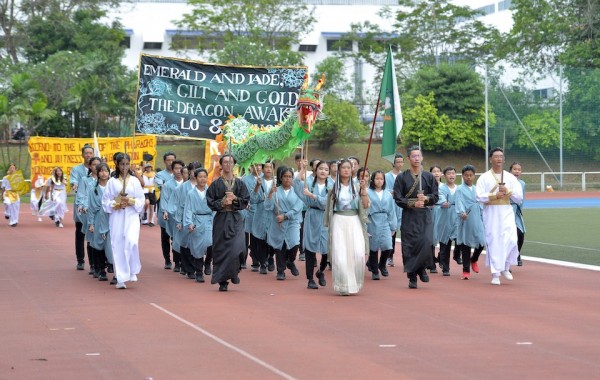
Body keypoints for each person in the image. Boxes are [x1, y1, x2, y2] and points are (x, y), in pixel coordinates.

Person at [476, 148, 523, 285]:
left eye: (501, 156)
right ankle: (495, 274)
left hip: (506, 211)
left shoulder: (510, 177)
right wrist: (493, 195)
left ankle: (505, 267)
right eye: (496, 156)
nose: (499, 159)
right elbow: (478, 195)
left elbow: (519, 197)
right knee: (495, 241)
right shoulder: (484, 177)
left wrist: (507, 191)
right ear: (491, 159)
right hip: (491, 212)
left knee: (512, 240)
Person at [393, 146, 439, 289]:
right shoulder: (402, 177)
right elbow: (398, 198)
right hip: (409, 216)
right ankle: (412, 276)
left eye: (419, 156)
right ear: (408, 159)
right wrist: (413, 203)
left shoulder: (429, 177)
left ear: (422, 158)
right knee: (410, 245)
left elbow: (436, 197)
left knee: (426, 241)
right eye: (413, 156)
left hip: (425, 216)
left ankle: (421, 268)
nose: (416, 159)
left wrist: (425, 198)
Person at [324, 158, 370, 295]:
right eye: (343, 168)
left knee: (357, 253)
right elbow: (329, 208)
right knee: (340, 254)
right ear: (338, 170)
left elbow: (366, 205)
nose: (346, 170)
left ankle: (355, 282)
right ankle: (343, 285)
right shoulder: (333, 189)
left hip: (354, 221)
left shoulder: (357, 187)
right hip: (339, 221)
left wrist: (364, 191)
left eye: (349, 168)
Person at [206, 154, 250, 292]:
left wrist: (235, 198)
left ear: (234, 164)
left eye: (230, 162)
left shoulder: (240, 183)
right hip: (221, 218)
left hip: (236, 218)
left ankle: (234, 271)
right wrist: (222, 202)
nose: (228, 164)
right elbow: (210, 201)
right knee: (221, 249)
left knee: (239, 248)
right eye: (225, 162)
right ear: (221, 165)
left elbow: (245, 200)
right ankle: (223, 280)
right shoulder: (215, 184)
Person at [102, 153, 145, 289]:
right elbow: (106, 200)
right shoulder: (112, 182)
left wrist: (130, 201)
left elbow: (141, 199)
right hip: (117, 216)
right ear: (117, 164)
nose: (124, 167)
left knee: (131, 241)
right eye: (122, 164)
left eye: (127, 164)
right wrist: (116, 205)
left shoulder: (134, 181)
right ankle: (120, 277)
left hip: (132, 215)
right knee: (118, 244)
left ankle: (132, 270)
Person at [293, 160, 332, 289]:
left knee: (327, 249)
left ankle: (320, 271)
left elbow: (328, 202)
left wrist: (312, 195)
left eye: (326, 169)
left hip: (326, 218)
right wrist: (302, 169)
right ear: (316, 170)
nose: (323, 171)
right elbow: (296, 183)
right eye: (321, 168)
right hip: (312, 216)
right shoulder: (308, 183)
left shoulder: (332, 185)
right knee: (310, 248)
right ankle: (310, 279)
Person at [183, 168, 214, 283]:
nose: (202, 179)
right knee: (197, 247)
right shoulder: (191, 193)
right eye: (200, 176)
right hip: (196, 221)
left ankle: (208, 263)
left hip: (208, 220)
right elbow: (188, 209)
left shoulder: (211, 191)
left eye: (204, 177)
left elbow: (214, 208)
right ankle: (199, 272)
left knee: (210, 242)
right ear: (196, 178)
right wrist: (189, 223)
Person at [455, 165, 485, 280]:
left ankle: (474, 259)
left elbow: (482, 201)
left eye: (470, 175)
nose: (468, 177)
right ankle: (466, 270)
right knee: (466, 244)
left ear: (474, 176)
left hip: (477, 217)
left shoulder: (477, 188)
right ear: (462, 176)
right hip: (466, 218)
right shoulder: (459, 189)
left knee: (482, 241)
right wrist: (462, 212)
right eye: (466, 175)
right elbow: (459, 201)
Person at [367, 170, 397, 280]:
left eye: (381, 179)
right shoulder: (367, 192)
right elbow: (364, 208)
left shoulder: (387, 194)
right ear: (373, 180)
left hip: (385, 220)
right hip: (372, 220)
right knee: (373, 247)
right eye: (377, 178)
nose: (379, 181)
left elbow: (392, 210)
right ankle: (374, 271)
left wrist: (393, 226)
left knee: (388, 245)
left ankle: (382, 264)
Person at [87, 163, 114, 283]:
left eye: (106, 171)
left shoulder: (113, 188)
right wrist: (91, 223)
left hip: (112, 217)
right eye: (101, 171)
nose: (104, 173)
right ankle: (100, 269)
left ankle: (111, 264)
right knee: (99, 243)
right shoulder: (94, 190)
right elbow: (92, 209)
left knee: (111, 242)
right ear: (97, 173)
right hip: (99, 218)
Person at [70, 144, 94, 270]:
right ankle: (80, 260)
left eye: (91, 153)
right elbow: (74, 181)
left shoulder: (97, 169)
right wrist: (74, 185)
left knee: (93, 233)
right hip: (81, 205)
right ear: (82, 155)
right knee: (80, 232)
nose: (88, 155)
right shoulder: (77, 169)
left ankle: (94, 262)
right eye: (86, 153)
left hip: (94, 206)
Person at [250, 161, 275, 274]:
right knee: (260, 239)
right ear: (262, 169)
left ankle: (271, 256)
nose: (268, 169)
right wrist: (257, 186)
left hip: (273, 213)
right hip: (260, 212)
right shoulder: (258, 180)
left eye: (271, 167)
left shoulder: (278, 181)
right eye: (266, 167)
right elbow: (253, 199)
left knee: (272, 238)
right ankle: (263, 262)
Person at [161, 159, 186, 273]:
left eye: (180, 168)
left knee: (184, 238)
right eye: (176, 168)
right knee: (174, 238)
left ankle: (183, 261)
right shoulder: (168, 184)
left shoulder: (187, 184)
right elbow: (165, 199)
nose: (178, 171)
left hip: (185, 215)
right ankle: (175, 261)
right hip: (172, 215)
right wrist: (165, 211)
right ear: (172, 169)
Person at [155, 151, 176, 269]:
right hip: (165, 208)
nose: (171, 162)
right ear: (164, 161)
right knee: (165, 236)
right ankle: (167, 259)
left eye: (173, 160)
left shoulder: (180, 174)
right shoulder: (160, 175)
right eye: (168, 160)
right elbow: (161, 186)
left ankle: (177, 259)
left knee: (177, 236)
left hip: (177, 211)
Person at [436, 166, 459, 276]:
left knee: (459, 239)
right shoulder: (441, 188)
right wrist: (444, 202)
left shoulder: (459, 189)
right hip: (445, 217)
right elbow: (441, 198)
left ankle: (457, 255)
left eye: (453, 173)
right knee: (445, 243)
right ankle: (446, 268)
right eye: (449, 173)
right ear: (444, 176)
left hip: (457, 217)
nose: (451, 175)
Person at [384, 153, 404, 267]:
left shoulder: (405, 175)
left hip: (402, 206)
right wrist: (391, 193)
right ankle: (389, 256)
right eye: (398, 162)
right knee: (392, 231)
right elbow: (384, 189)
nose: (400, 164)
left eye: (401, 162)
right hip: (391, 206)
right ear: (393, 163)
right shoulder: (387, 176)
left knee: (403, 231)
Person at [510, 162, 526, 266]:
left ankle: (517, 253)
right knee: (511, 235)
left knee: (521, 233)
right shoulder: (506, 182)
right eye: (515, 169)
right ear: (510, 171)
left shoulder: (522, 183)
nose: (517, 171)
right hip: (507, 210)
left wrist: (520, 209)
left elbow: (522, 198)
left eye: (519, 169)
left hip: (517, 212)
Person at [429, 165, 443, 273]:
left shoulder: (444, 186)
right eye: (434, 171)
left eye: (438, 171)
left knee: (443, 235)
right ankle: (432, 262)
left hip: (443, 212)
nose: (436, 173)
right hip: (432, 213)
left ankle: (441, 257)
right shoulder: (428, 186)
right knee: (432, 237)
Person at [1, 163, 20, 227]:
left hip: (15, 194)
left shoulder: (18, 178)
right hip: (7, 193)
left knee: (15, 208)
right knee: (7, 203)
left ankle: (14, 221)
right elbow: (3, 187)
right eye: (10, 168)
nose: (11, 169)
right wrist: (1, 195)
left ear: (16, 169)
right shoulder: (5, 178)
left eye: (13, 168)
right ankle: (7, 213)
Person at [142, 162, 157, 226]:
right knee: (147, 202)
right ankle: (144, 213)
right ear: (145, 168)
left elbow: (157, 181)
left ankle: (151, 221)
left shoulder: (154, 174)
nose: (148, 168)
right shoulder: (143, 174)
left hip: (152, 190)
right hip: (145, 190)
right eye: (147, 167)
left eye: (149, 167)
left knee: (151, 207)